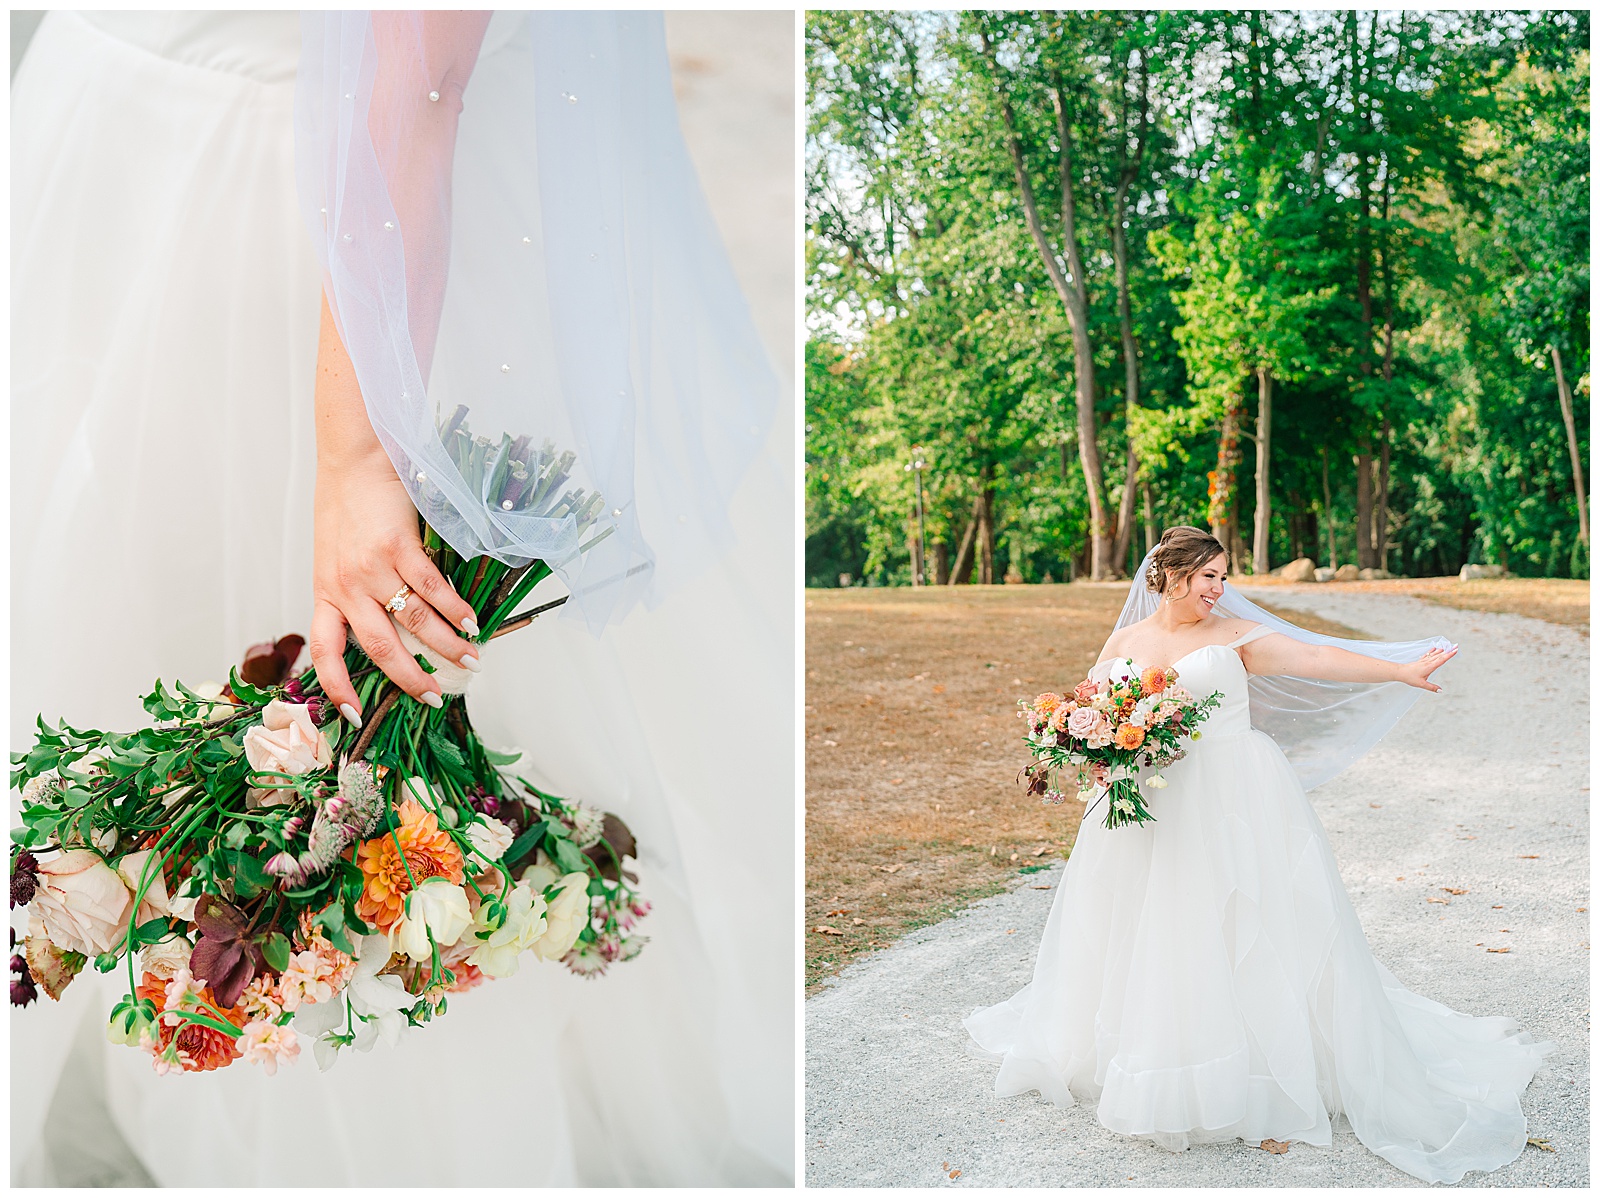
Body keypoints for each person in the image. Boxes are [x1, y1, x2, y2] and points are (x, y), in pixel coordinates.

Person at [11, 10, 792, 1186]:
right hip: (125, 136)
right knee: (116, 594)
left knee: (345, 682)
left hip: (330, 207)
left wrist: (362, 453)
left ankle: (357, 1111)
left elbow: (415, 76)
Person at [965, 525, 1549, 1185]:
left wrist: (1399, 668)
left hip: (1233, 795)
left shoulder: (1233, 638)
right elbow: (1093, 701)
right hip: (1151, 802)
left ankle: (1261, 1064)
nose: (1220, 589)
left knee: (1249, 925)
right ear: (1170, 575)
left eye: (1223, 576)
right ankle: (1157, 1055)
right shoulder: (1126, 641)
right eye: (1208, 576)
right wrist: (1085, 742)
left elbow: (1317, 660)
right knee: (1150, 927)